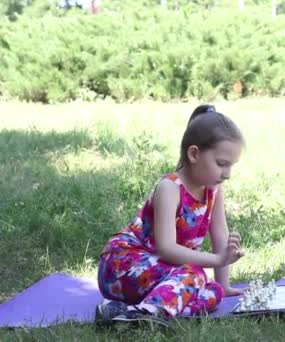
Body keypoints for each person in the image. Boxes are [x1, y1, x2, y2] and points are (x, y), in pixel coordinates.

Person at [96, 104, 246, 327]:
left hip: (161, 273)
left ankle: (125, 312)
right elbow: (167, 248)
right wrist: (216, 260)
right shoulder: (170, 188)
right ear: (194, 154)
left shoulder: (213, 189)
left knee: (213, 293)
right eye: (221, 164)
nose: (227, 174)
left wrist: (223, 284)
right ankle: (147, 313)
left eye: (231, 166)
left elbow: (219, 235)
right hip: (122, 266)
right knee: (195, 276)